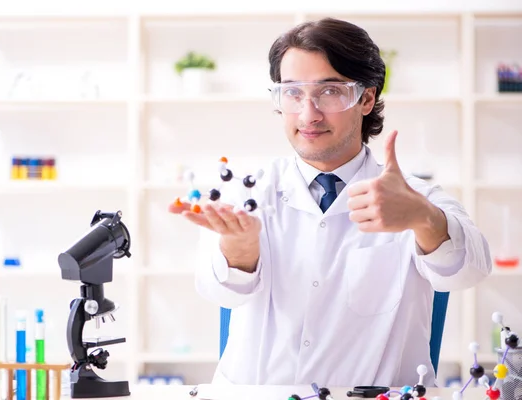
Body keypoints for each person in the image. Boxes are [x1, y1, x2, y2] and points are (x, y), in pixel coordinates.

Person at [168, 17, 492, 387]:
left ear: (366, 98)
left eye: (330, 91)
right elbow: (216, 290)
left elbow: (471, 270)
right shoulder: (245, 194)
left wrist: (423, 219)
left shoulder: (413, 197)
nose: (308, 114)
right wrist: (240, 252)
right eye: (293, 93)